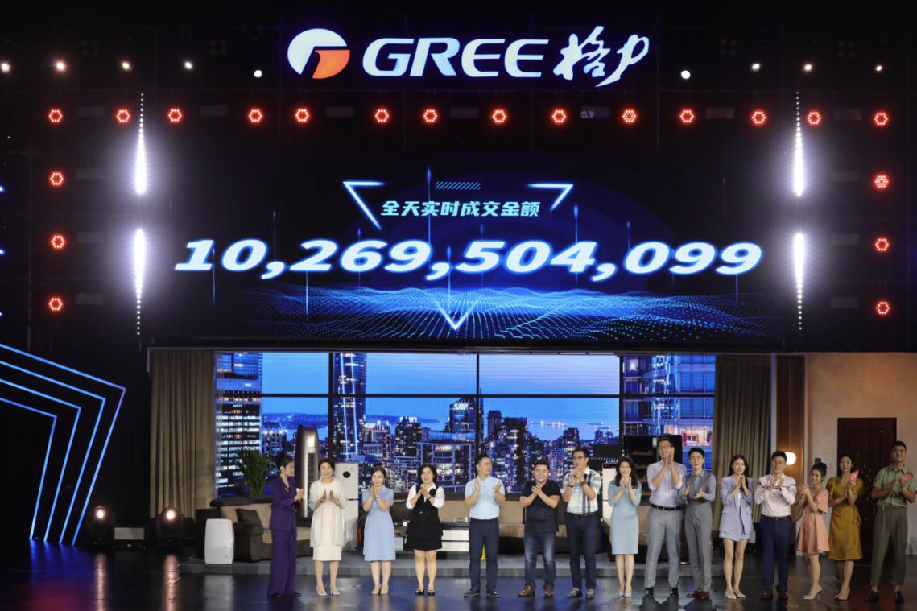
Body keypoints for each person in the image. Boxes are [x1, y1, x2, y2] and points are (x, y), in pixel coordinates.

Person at [864, 440, 916, 605]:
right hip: (883, 512)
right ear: (891, 454)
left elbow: (912, 498)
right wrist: (888, 488)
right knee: (878, 550)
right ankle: (874, 589)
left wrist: (904, 489)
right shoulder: (883, 472)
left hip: (900, 513)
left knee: (900, 551)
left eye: (902, 451)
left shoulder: (909, 475)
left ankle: (898, 590)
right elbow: (874, 494)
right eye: (895, 450)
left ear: (905, 455)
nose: (898, 453)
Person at [644, 436, 686, 599]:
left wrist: (671, 464)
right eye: (661, 447)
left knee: (674, 551)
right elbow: (653, 485)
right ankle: (649, 585)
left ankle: (673, 585)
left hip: (675, 513)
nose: (663, 450)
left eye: (667, 447)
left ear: (672, 449)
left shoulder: (681, 467)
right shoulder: (652, 467)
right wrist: (664, 467)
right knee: (653, 550)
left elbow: (677, 484)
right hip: (656, 512)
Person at [754, 450, 796, 601]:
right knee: (767, 556)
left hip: (784, 522)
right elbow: (757, 500)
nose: (778, 464)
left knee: (783, 556)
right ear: (771, 463)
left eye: (781, 462)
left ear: (785, 465)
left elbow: (791, 500)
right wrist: (769, 489)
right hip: (767, 521)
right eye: (775, 461)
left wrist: (782, 488)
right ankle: (768, 588)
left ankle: (783, 588)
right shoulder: (763, 480)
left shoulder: (790, 481)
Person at [562, 446, 603, 599]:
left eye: (580, 458)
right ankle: (576, 587)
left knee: (589, 555)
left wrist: (581, 479)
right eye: (574, 458)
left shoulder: (595, 475)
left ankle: (591, 587)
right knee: (573, 555)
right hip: (572, 519)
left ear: (586, 459)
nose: (576, 461)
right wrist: (572, 482)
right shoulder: (568, 476)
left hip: (589, 519)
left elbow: (592, 495)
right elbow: (565, 498)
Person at [464, 454, 505, 599]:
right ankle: (475, 588)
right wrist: (477, 490)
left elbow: (502, 501)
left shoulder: (497, 482)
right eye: (486, 464)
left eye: (490, 464)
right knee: (474, 557)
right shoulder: (470, 484)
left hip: (492, 524)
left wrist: (496, 492)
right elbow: (469, 503)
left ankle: (491, 589)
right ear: (478, 466)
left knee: (492, 557)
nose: (489, 466)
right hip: (476, 524)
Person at [518, 459, 561, 599]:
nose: (541, 473)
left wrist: (540, 493)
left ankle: (549, 586)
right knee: (529, 560)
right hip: (530, 529)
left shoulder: (553, 485)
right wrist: (534, 493)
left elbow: (553, 503)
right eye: (538, 470)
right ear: (533, 472)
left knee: (549, 560)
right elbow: (522, 503)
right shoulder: (528, 485)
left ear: (548, 473)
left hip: (548, 529)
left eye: (544, 471)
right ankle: (529, 586)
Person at [827, 452, 864, 601]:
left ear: (852, 465)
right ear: (839, 464)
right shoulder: (832, 481)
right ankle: (845, 586)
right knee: (838, 555)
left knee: (849, 553)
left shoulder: (857, 481)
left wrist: (849, 488)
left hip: (849, 519)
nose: (845, 465)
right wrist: (842, 496)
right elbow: (829, 503)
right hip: (836, 519)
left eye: (848, 462)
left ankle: (844, 587)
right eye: (842, 462)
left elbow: (852, 502)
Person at [267, 456, 304, 598]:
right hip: (279, 524)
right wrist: (294, 498)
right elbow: (278, 503)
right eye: (291, 467)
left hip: (291, 524)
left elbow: (292, 503)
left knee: (291, 558)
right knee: (279, 558)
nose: (293, 470)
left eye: (293, 467)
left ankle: (289, 589)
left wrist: (298, 500)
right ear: (282, 468)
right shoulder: (275, 483)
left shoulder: (291, 482)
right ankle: (276, 590)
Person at [683, 448, 716, 601]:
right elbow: (680, 498)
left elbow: (713, 496)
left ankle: (706, 587)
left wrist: (704, 494)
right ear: (689, 460)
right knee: (692, 552)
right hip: (689, 514)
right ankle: (697, 586)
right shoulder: (687, 478)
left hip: (704, 514)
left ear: (703, 460)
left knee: (704, 551)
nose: (695, 460)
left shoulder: (710, 477)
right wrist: (683, 495)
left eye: (698, 457)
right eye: (693, 457)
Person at [406, 463, 444, 596]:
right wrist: (418, 494)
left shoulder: (438, 489)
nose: (426, 475)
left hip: (431, 526)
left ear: (433, 475)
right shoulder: (415, 488)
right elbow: (409, 505)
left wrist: (427, 495)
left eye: (428, 473)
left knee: (431, 557)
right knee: (418, 556)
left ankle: (431, 585)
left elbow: (439, 503)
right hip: (417, 525)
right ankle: (420, 585)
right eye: (423, 473)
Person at [309, 458, 345, 597]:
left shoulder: (338, 484)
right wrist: (321, 500)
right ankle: (319, 584)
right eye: (323, 467)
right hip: (320, 522)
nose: (326, 470)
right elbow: (312, 505)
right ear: (319, 469)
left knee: (334, 555)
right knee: (319, 554)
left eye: (329, 467)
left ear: (333, 469)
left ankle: (333, 584)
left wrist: (335, 499)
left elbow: (343, 503)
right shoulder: (315, 485)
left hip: (334, 522)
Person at [719, 454, 753, 600]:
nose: (740, 467)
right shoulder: (725, 481)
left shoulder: (749, 481)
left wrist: (744, 487)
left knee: (740, 555)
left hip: (744, 520)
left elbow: (751, 500)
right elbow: (725, 500)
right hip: (729, 519)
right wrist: (736, 488)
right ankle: (728, 588)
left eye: (742, 464)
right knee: (729, 555)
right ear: (732, 466)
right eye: (737, 464)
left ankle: (736, 587)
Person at [795, 460, 829, 600]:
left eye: (817, 475)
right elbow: (799, 507)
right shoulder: (808, 489)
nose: (813, 477)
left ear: (822, 478)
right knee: (807, 557)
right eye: (812, 475)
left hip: (816, 524)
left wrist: (808, 494)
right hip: (806, 523)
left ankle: (814, 588)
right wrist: (801, 497)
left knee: (814, 558)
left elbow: (815, 508)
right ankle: (816, 585)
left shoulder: (823, 491)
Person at [608, 455, 641, 598]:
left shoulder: (637, 484)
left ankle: (628, 585)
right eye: (622, 467)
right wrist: (621, 490)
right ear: (618, 469)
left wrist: (630, 488)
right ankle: (621, 584)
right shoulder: (612, 484)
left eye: (627, 467)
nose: (625, 469)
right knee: (619, 554)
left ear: (631, 468)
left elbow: (636, 502)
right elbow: (612, 502)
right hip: (617, 520)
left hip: (631, 521)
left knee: (629, 553)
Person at [362, 466, 395, 595]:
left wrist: (377, 496)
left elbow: (383, 507)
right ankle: (376, 584)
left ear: (384, 479)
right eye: (374, 477)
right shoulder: (366, 491)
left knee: (386, 556)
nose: (376, 479)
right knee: (373, 556)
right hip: (372, 524)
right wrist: (371, 496)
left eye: (379, 477)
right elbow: (366, 508)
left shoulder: (389, 492)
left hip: (385, 523)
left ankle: (385, 584)